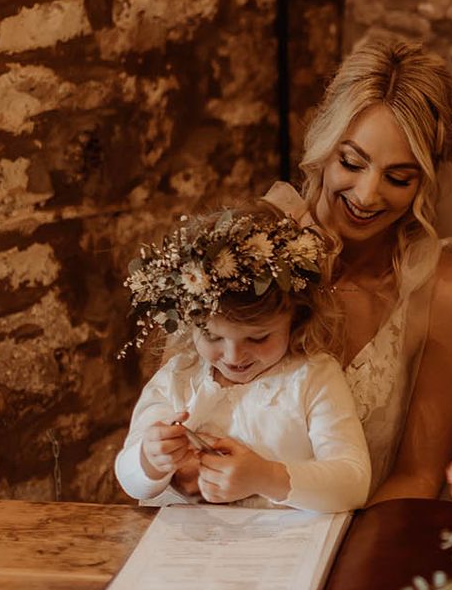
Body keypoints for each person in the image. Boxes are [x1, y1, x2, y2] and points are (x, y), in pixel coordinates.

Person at [263, 34, 452, 503]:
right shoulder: (253, 251)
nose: (368, 195)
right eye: (352, 162)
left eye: (399, 177)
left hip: (370, 538)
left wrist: (330, 558)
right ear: (323, 145)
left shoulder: (449, 293)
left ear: (428, 181)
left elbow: (418, 477)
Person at [115, 203, 371, 511]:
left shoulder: (313, 378)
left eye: (258, 337)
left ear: (297, 319)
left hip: (282, 546)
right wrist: (149, 458)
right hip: (185, 547)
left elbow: (353, 482)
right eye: (212, 336)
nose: (234, 355)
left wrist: (265, 477)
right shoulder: (179, 377)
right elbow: (129, 480)